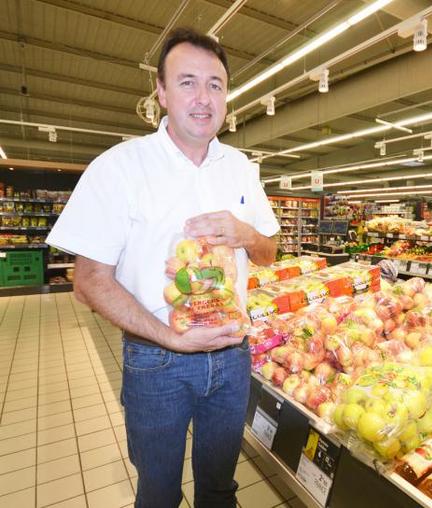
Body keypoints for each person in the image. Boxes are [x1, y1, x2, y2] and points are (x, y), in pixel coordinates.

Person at [46, 27, 279, 508]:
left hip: (232, 354)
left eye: (215, 84)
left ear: (227, 96)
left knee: (220, 489)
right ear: (161, 92)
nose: (203, 97)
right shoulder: (119, 167)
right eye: (187, 81)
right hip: (157, 360)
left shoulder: (242, 167)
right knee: (158, 493)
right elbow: (88, 283)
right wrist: (169, 336)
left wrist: (247, 234)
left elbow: (269, 253)